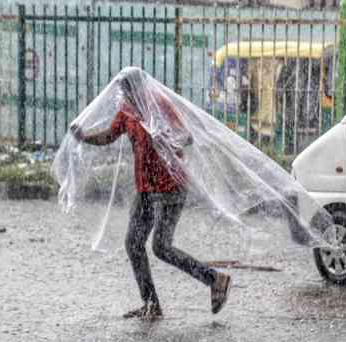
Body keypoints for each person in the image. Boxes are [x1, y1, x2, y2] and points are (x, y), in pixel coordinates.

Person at [70, 68, 231, 320]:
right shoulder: (127, 110)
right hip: (145, 188)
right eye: (122, 92)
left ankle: (216, 279)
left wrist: (164, 136)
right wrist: (84, 137)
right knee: (133, 244)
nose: (124, 95)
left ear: (140, 89)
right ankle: (151, 304)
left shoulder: (160, 106)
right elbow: (109, 136)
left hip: (170, 187)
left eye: (128, 91)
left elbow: (186, 137)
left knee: (161, 247)